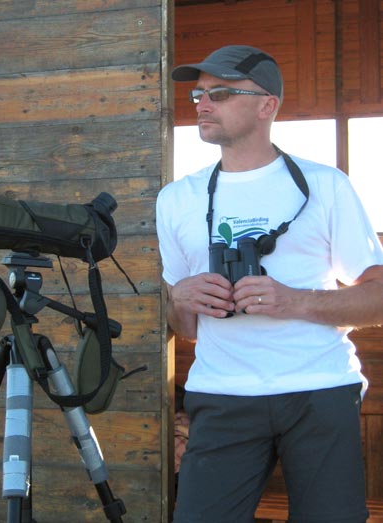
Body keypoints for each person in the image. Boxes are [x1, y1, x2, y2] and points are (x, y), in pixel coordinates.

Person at [156, 44, 383, 523]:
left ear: (267, 105)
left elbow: (378, 297)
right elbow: (186, 327)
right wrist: (181, 299)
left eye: (220, 93)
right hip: (221, 396)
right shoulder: (176, 199)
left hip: (319, 391)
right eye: (198, 94)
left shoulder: (326, 186)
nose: (202, 104)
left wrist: (293, 301)